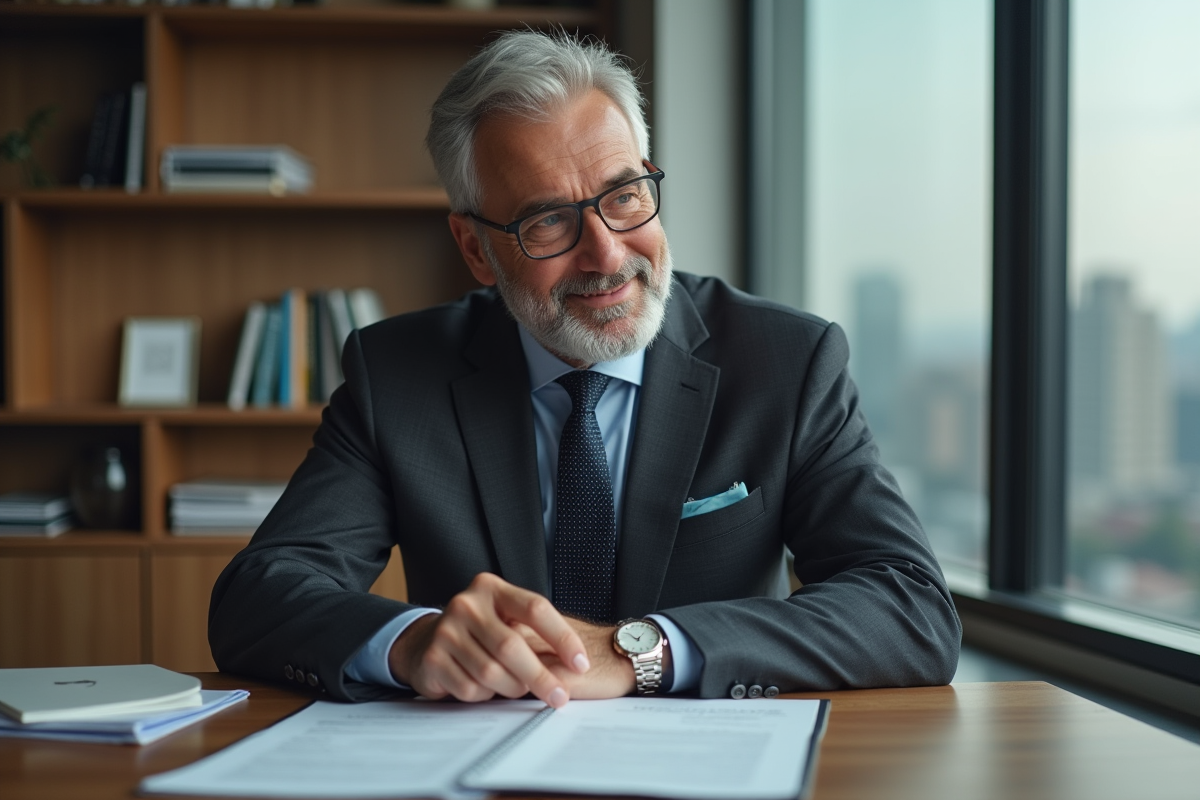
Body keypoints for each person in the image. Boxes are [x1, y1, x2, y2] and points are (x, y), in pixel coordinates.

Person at [209, 30, 960, 707]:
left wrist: (645, 650)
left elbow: (909, 606)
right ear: (475, 248)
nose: (606, 254)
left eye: (625, 196)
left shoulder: (787, 363)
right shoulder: (397, 374)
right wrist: (410, 643)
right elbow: (257, 597)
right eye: (547, 221)